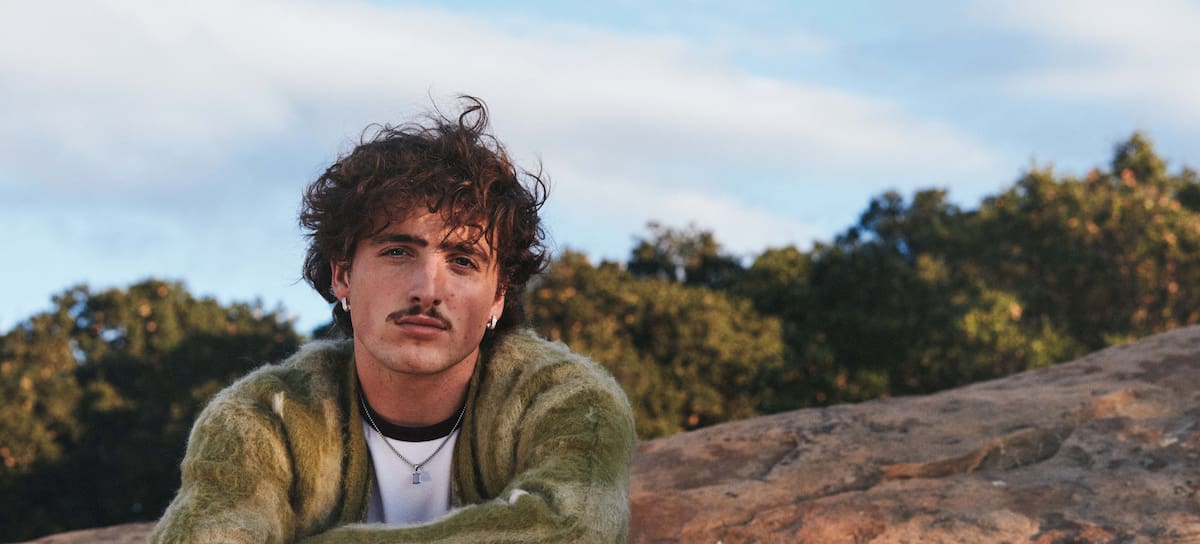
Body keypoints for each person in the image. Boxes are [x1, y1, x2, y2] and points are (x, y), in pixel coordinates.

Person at [149, 97, 636, 543]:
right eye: (398, 251)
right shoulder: (265, 417)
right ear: (343, 275)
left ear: (498, 298)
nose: (428, 290)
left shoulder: (566, 401)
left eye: (463, 261)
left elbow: (574, 530)